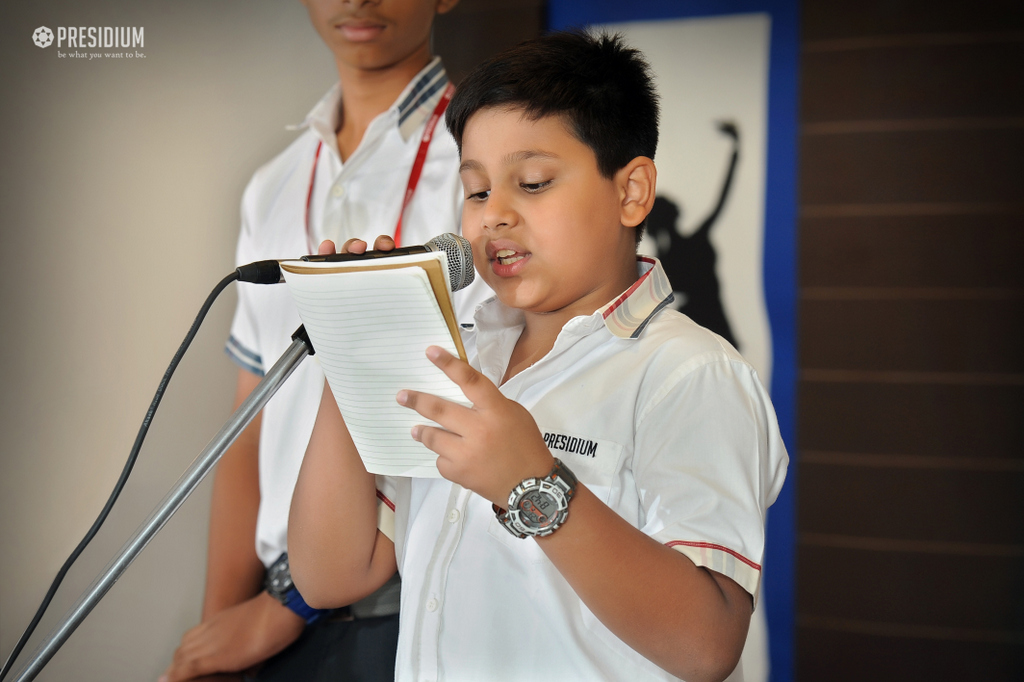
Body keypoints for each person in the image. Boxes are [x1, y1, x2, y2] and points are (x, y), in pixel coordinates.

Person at [288, 30, 789, 682]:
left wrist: (534, 484)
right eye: (475, 191)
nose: (494, 215)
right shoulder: (458, 356)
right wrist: (354, 344)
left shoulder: (689, 374)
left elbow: (707, 645)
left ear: (632, 192)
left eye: (532, 182)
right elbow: (331, 574)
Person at [161, 0, 491, 680]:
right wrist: (221, 630)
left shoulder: (487, 175)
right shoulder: (273, 184)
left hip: (410, 610)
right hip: (277, 620)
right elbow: (248, 423)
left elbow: (478, 421)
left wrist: (289, 607)